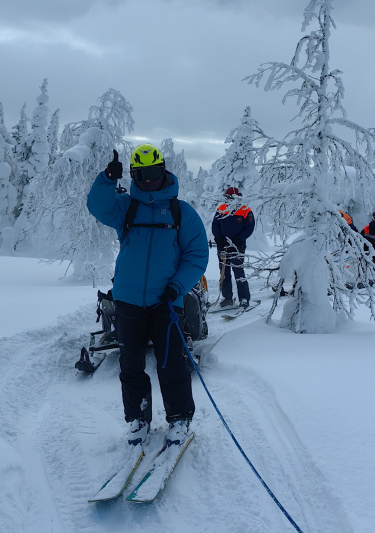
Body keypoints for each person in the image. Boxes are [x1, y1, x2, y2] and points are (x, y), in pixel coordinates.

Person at [86, 145, 208, 447]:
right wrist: (106, 179)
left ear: (163, 170)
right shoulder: (125, 206)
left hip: (165, 302)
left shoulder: (182, 212)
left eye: (153, 173)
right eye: (141, 174)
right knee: (131, 365)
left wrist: (176, 287)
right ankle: (138, 420)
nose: (149, 180)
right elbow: (97, 206)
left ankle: (179, 420)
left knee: (172, 365)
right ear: (133, 175)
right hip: (128, 301)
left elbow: (196, 255)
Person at [212, 186, 255, 309]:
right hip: (223, 247)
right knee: (224, 273)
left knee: (238, 272)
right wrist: (218, 238)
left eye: (229, 198)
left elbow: (250, 228)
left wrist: (238, 239)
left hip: (237, 247)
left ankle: (244, 298)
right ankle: (227, 298)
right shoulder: (221, 208)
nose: (227, 200)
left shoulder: (245, 209)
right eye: (226, 197)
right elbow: (215, 225)